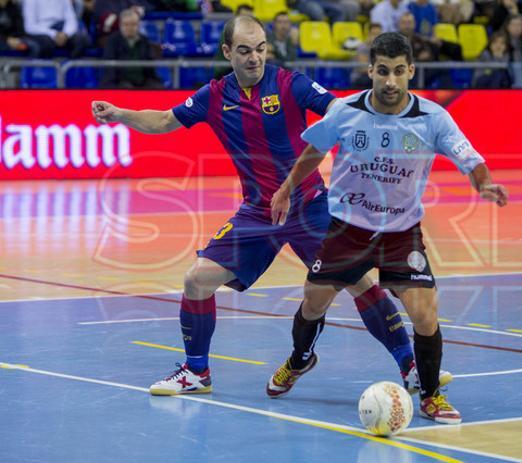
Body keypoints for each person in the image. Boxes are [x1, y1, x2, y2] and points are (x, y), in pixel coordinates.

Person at [91, 15, 448, 397]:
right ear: (228, 52)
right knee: (197, 281)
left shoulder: (290, 84)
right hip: (258, 213)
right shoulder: (213, 96)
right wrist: (120, 114)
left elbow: (338, 112)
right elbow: (164, 120)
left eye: (260, 49)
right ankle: (197, 373)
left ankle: (411, 366)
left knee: (360, 282)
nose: (254, 58)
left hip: (310, 205)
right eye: (244, 51)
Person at [266, 32, 508, 424]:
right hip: (348, 229)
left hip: (400, 233)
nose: (390, 81)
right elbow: (313, 151)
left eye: (399, 71)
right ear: (371, 71)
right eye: (382, 71)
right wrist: (286, 189)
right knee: (313, 301)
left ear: (411, 71)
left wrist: (483, 183)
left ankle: (431, 395)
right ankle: (299, 360)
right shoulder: (345, 111)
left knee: (425, 312)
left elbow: (468, 157)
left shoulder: (433, 118)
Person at [100, 9, 162, 88]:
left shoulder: (144, 40)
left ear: (138, 25)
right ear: (120, 25)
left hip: (143, 80)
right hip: (120, 80)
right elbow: (110, 66)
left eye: (133, 24)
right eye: (126, 24)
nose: (130, 28)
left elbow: (149, 64)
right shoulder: (113, 41)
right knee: (125, 88)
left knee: (157, 87)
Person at [22, 0, 90, 58]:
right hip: (42, 31)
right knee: (46, 43)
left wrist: (66, 34)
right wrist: (54, 34)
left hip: (62, 30)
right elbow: (29, 26)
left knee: (81, 40)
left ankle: (70, 71)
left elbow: (71, 19)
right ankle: (46, 72)